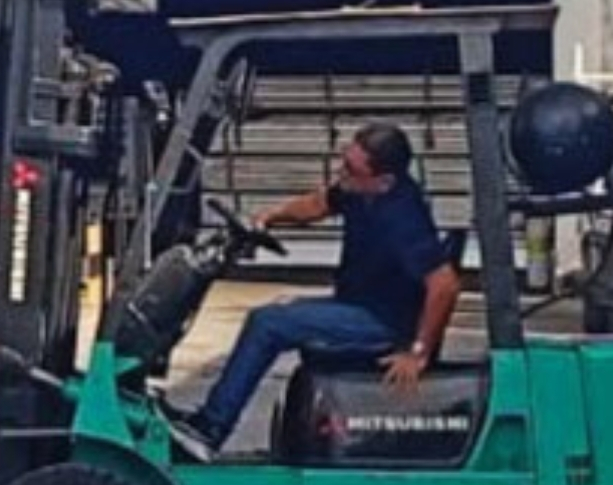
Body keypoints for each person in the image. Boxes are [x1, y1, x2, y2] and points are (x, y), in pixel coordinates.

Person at [174, 122, 460, 456]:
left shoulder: (402, 216)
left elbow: (445, 284)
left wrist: (418, 352)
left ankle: (211, 428)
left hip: (384, 324)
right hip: (359, 305)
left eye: (352, 169)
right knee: (286, 310)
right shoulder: (359, 190)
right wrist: (268, 217)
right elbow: (318, 203)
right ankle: (209, 421)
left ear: (384, 181)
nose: (342, 173)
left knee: (267, 324)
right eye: (344, 162)